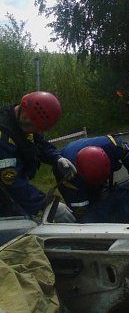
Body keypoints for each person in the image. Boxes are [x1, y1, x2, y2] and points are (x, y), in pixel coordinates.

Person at [0, 92, 76, 220]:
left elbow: (39, 144)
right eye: (35, 128)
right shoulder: (3, 138)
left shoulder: (22, 122)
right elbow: (13, 183)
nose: (36, 132)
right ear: (25, 117)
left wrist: (57, 158)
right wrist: (46, 204)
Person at [54, 136, 129, 217]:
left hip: (85, 153)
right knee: (84, 212)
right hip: (66, 166)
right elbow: (82, 213)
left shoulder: (112, 145)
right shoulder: (69, 176)